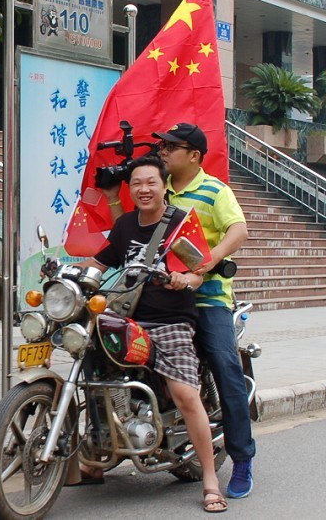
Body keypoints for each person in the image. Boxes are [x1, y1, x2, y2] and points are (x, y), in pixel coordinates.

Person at [79, 158, 228, 513]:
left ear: (164, 187)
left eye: (151, 183)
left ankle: (210, 478)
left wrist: (184, 279)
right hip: (128, 319)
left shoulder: (180, 223)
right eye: (137, 184)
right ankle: (96, 455)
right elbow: (99, 263)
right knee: (93, 370)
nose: (144, 189)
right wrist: (69, 274)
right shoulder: (126, 225)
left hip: (171, 321)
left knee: (185, 394)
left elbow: (198, 271)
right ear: (130, 189)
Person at [154, 123, 255, 499]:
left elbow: (239, 230)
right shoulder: (157, 188)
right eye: (162, 146)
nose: (163, 152)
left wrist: (209, 260)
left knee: (226, 368)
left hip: (208, 297)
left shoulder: (215, 190)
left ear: (194, 155)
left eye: (171, 147)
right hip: (161, 297)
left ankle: (242, 459)